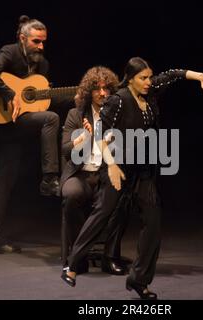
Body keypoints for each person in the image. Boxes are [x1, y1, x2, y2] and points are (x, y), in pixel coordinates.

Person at [61, 57, 203, 300]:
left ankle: (138, 280)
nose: (148, 82)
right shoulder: (118, 100)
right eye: (143, 78)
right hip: (118, 166)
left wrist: (198, 75)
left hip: (143, 170)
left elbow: (172, 74)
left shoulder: (150, 91)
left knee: (154, 223)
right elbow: (102, 133)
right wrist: (111, 164)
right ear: (131, 79)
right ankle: (72, 265)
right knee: (103, 213)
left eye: (149, 77)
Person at [0, 16, 61, 254]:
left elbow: (41, 99)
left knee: (6, 181)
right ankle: (49, 178)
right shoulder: (10, 52)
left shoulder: (41, 65)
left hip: (18, 124)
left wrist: (79, 96)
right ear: (22, 39)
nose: (41, 46)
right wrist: (8, 95)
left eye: (44, 42)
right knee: (51, 118)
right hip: (3, 120)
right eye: (36, 41)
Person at [60, 66, 129, 275]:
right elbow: (65, 150)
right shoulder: (76, 114)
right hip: (80, 174)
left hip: (104, 174)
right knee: (71, 195)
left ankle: (109, 258)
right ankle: (79, 257)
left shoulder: (117, 116)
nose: (102, 93)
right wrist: (81, 141)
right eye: (97, 89)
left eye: (107, 89)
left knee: (122, 198)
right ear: (89, 92)